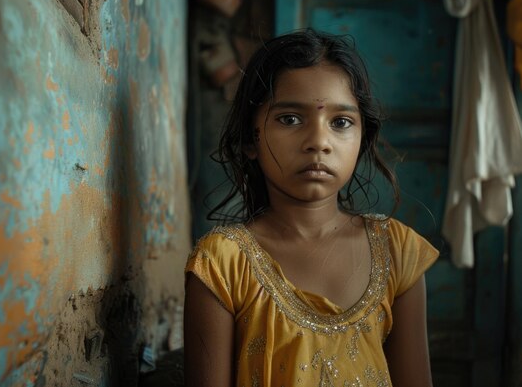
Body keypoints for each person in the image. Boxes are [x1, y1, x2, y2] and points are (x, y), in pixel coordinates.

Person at [184, 29, 439, 387]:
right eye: (289, 118)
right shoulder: (222, 264)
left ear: (362, 138)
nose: (319, 141)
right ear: (249, 139)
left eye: (341, 122)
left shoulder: (398, 252)